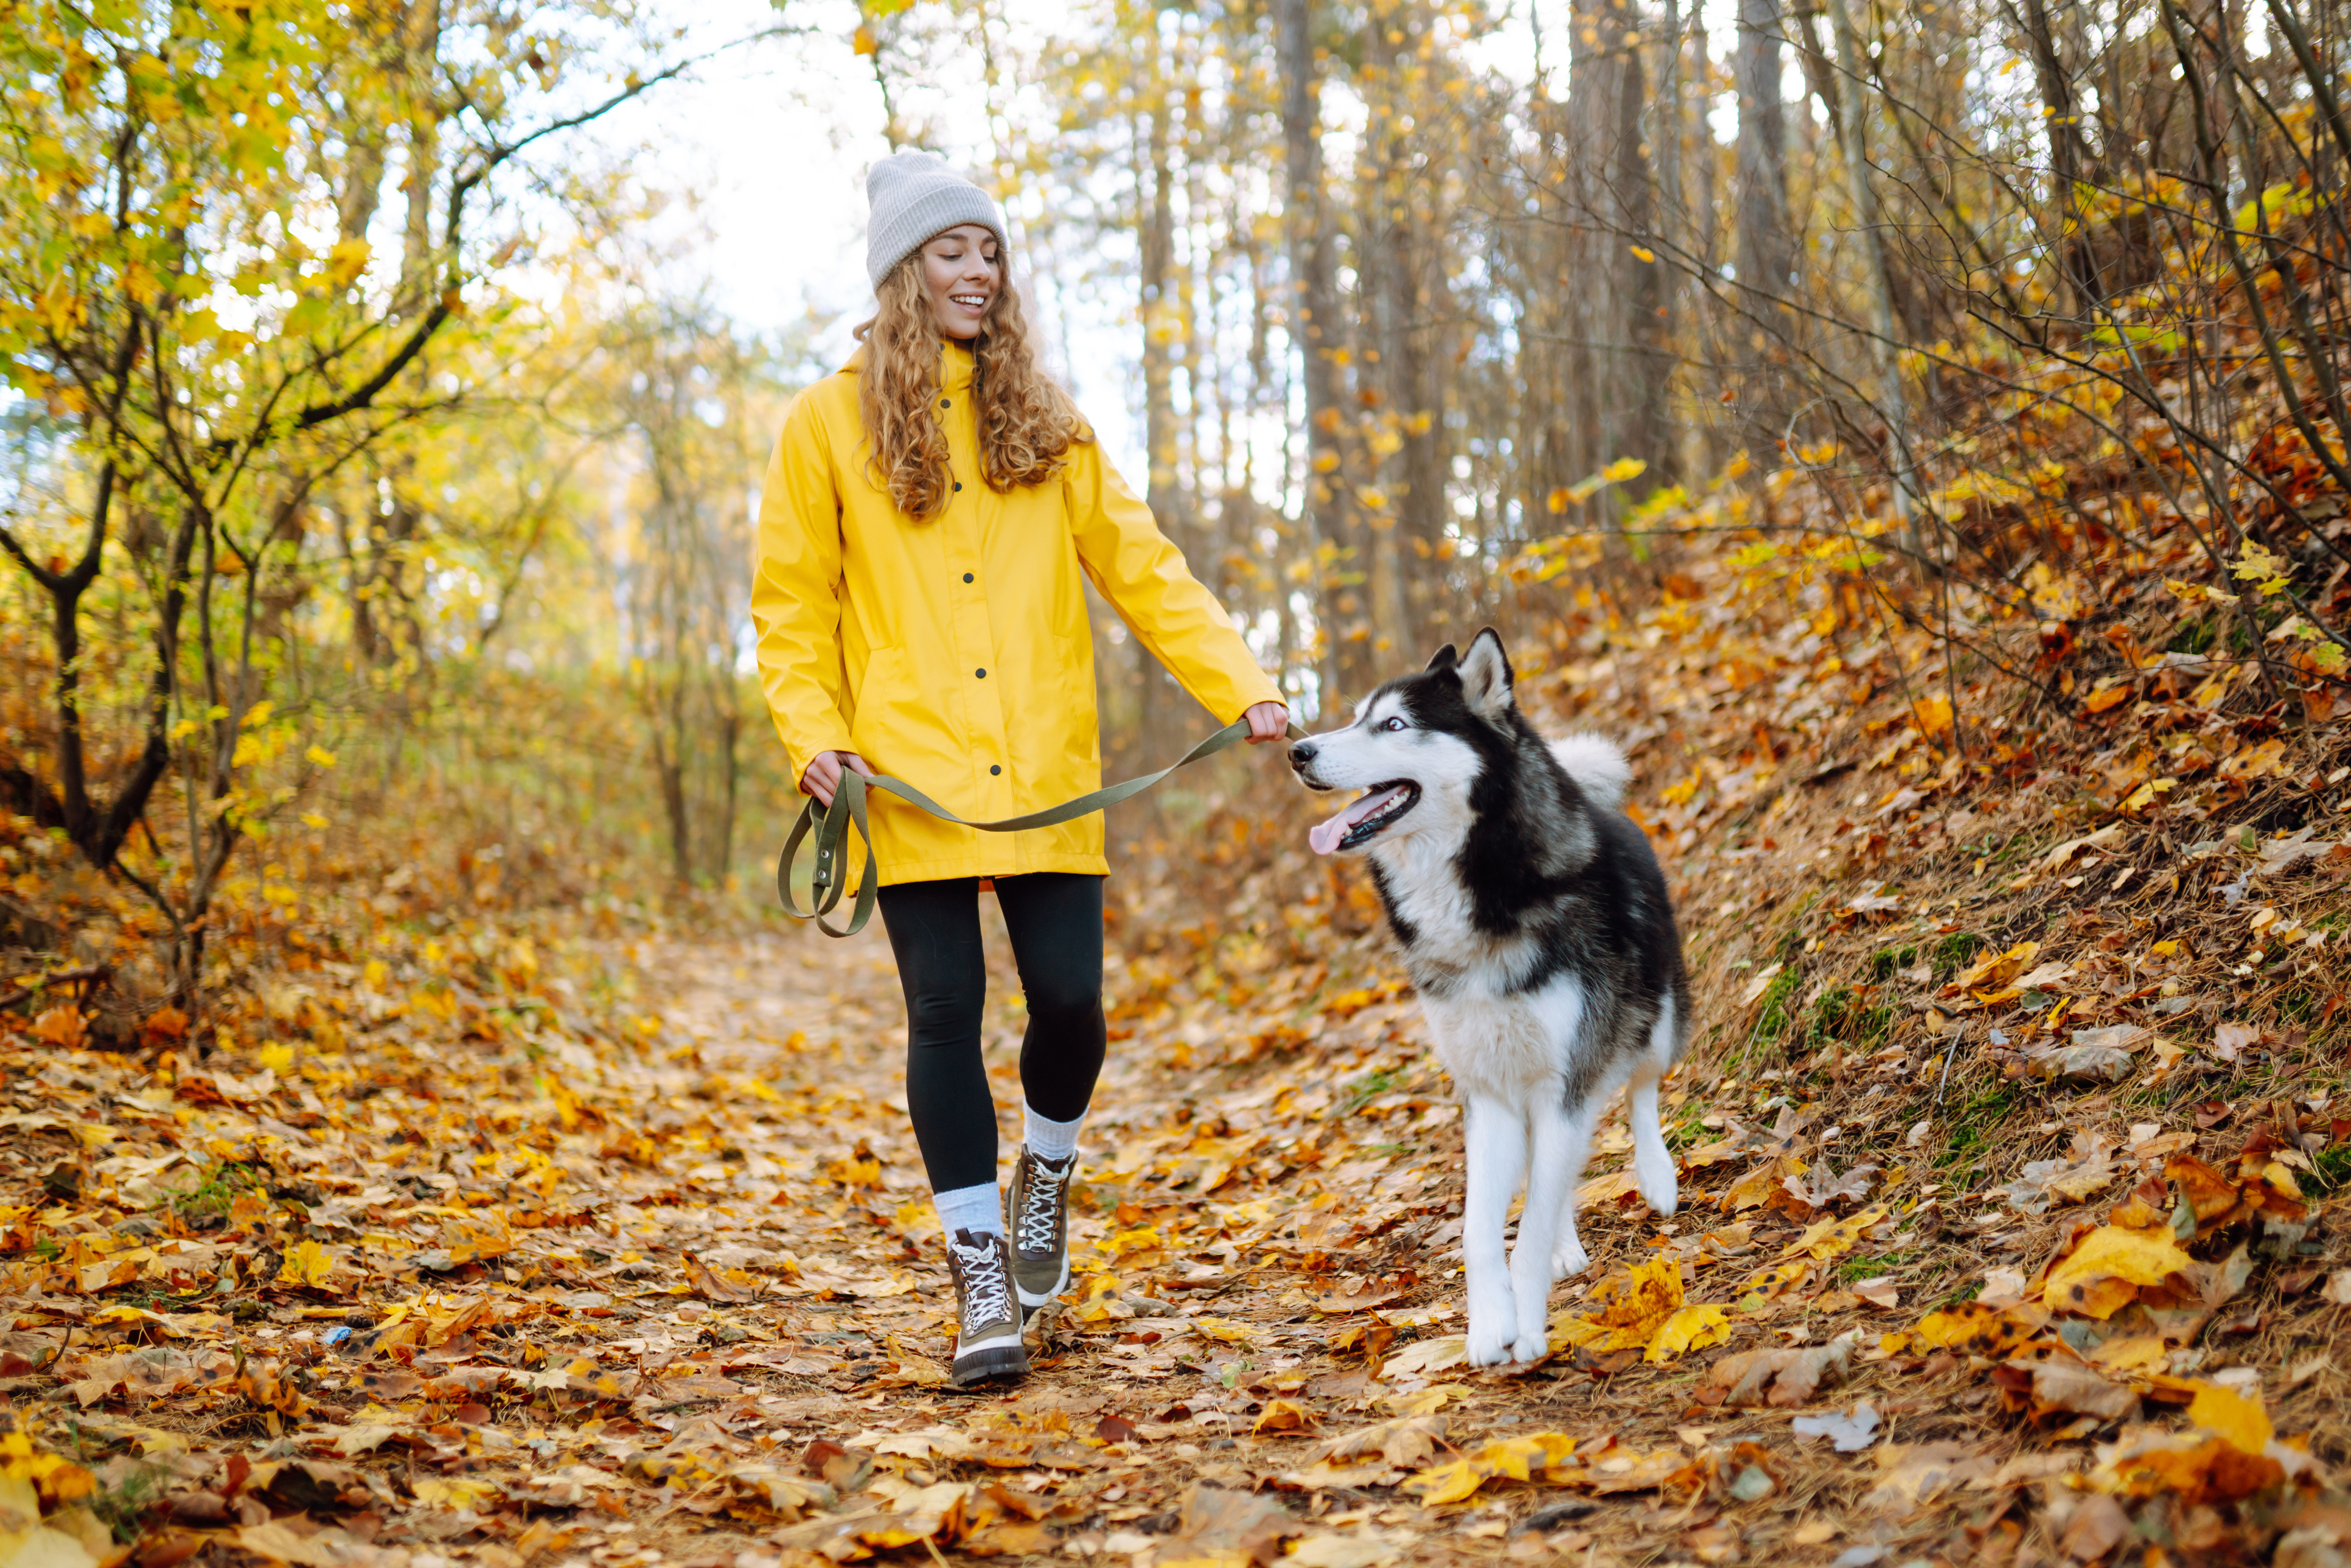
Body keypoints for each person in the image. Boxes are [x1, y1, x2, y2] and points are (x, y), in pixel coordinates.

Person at [750, 150, 1289, 1388]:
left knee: (1073, 1010)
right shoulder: (824, 424)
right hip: (906, 773)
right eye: (954, 250)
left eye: (991, 251)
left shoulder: (1048, 420)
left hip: (1047, 763)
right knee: (944, 1013)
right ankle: (980, 1268)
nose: (980, 271)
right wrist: (813, 733)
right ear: (901, 271)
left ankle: (1047, 1165)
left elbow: (1145, 566)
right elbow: (790, 605)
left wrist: (1241, 681)